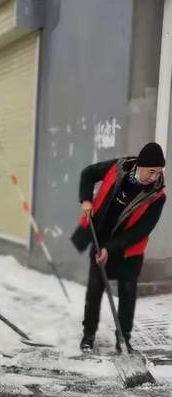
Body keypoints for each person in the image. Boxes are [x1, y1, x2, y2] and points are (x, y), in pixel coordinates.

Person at [71, 142, 166, 353]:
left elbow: (141, 230)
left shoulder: (157, 196)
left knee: (127, 293)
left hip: (128, 248)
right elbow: (89, 173)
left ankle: (123, 340)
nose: (154, 177)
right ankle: (88, 336)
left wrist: (110, 249)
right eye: (151, 171)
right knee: (94, 291)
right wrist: (86, 200)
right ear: (140, 165)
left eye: (159, 172)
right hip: (101, 238)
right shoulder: (119, 167)